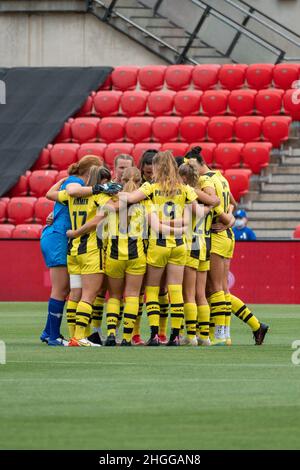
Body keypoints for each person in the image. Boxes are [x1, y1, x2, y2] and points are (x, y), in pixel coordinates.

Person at [119, 150, 205, 346]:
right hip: (180, 244)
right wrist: (181, 222)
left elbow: (128, 199)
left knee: (152, 289)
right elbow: (199, 212)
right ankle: (175, 335)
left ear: (157, 167)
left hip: (158, 244)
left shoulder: (151, 187)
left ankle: (155, 335)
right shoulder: (183, 189)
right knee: (175, 290)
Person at [46, 166, 117, 347]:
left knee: (75, 294)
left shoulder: (72, 195)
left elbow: (50, 194)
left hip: (73, 252)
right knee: (89, 295)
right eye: (105, 181)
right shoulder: (99, 196)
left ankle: (73, 337)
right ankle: (79, 337)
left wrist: (62, 181)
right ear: (100, 181)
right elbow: (112, 210)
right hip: (91, 250)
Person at [39, 155, 102, 346]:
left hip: (59, 235)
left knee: (65, 288)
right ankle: (53, 336)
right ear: (90, 171)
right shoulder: (76, 182)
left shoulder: (77, 184)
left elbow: (52, 195)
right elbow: (71, 189)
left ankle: (48, 331)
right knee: (61, 289)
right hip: (59, 236)